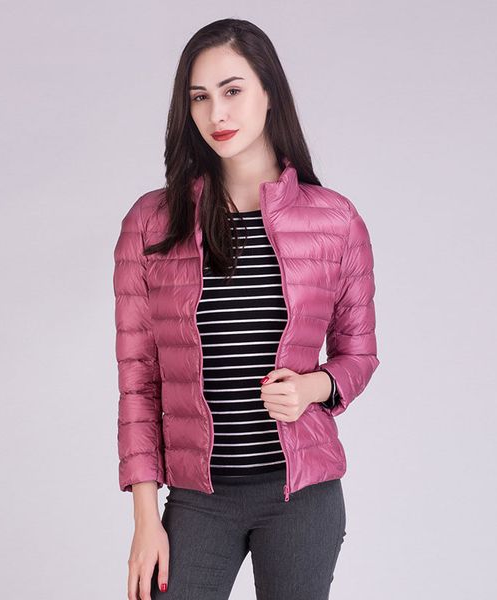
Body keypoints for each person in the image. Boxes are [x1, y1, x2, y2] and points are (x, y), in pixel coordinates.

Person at [112, 18, 380, 600]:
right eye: (200, 98)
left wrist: (313, 387)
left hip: (301, 496)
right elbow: (139, 381)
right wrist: (144, 518)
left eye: (232, 90)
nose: (217, 113)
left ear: (269, 92)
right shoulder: (151, 224)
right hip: (197, 500)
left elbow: (359, 355)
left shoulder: (335, 220)